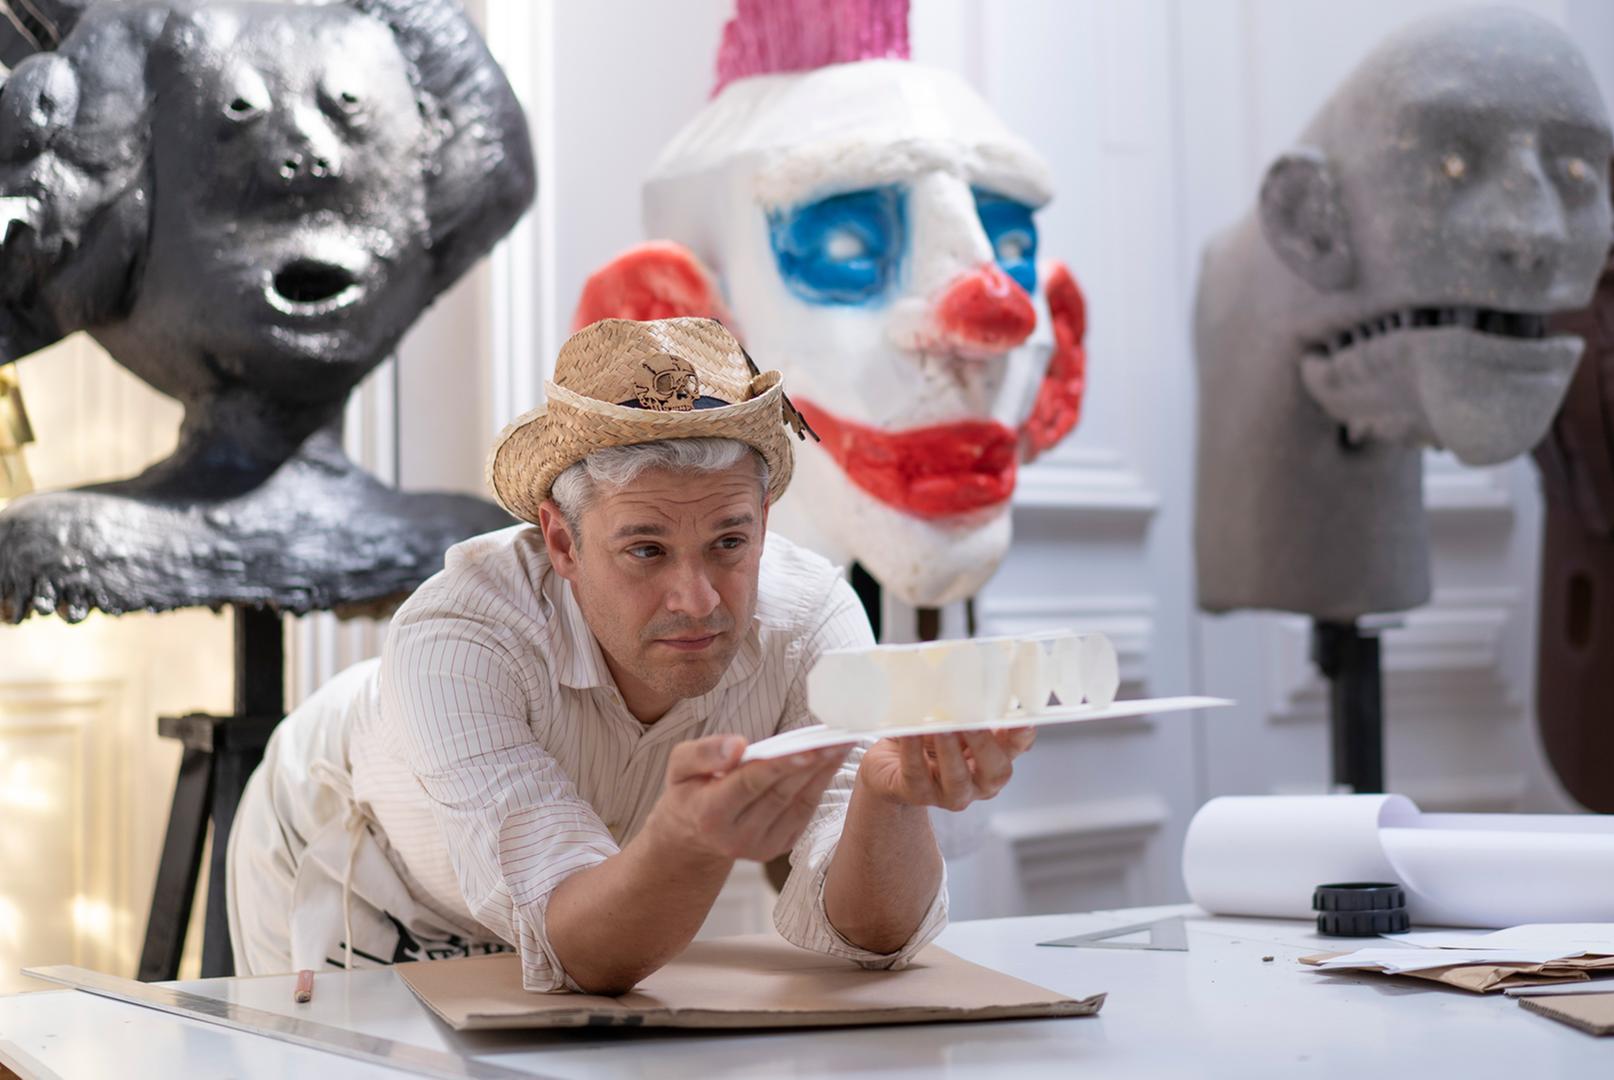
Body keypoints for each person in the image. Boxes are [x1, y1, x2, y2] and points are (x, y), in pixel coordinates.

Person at [227, 316, 1034, 994]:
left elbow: (873, 939)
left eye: (729, 542)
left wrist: (890, 798)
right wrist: (687, 844)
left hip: (577, 903)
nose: (699, 599)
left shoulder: (811, 619)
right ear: (562, 541)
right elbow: (580, 951)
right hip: (354, 859)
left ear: (762, 521)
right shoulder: (458, 636)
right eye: (646, 550)